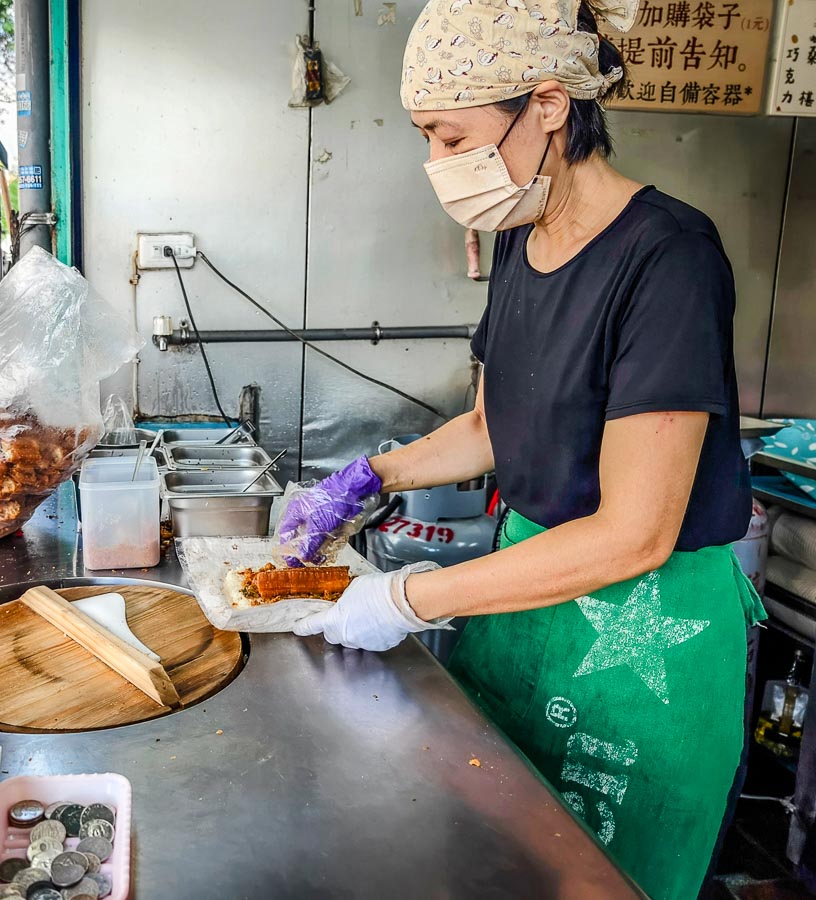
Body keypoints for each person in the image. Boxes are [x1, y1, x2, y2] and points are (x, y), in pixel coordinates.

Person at [282, 0, 766, 897]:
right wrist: (367, 476)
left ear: (548, 104)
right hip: (521, 609)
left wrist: (403, 597)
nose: (437, 163)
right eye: (426, 137)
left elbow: (635, 534)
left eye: (450, 134)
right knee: (490, 868)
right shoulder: (518, 239)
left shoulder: (670, 258)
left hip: (642, 642)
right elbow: (491, 425)